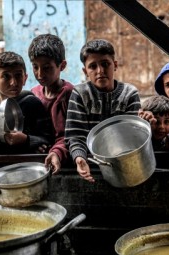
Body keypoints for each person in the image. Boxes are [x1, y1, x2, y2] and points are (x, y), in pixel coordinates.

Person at [64, 39, 154, 183]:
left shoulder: (129, 94)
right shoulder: (80, 94)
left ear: (115, 65)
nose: (100, 71)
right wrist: (79, 158)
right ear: (85, 71)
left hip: (125, 167)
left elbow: (132, 137)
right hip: (90, 168)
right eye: (93, 66)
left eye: (105, 64)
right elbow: (75, 136)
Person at [0, 51, 53, 154]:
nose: (14, 83)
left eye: (18, 75)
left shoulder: (32, 104)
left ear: (25, 78)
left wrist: (27, 140)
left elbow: (48, 139)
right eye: (6, 76)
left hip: (26, 165)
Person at [28, 33, 74, 174]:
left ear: (62, 66)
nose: (40, 74)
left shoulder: (70, 95)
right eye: (35, 67)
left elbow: (72, 135)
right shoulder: (33, 94)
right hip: (38, 162)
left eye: (47, 67)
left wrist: (56, 151)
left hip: (65, 163)